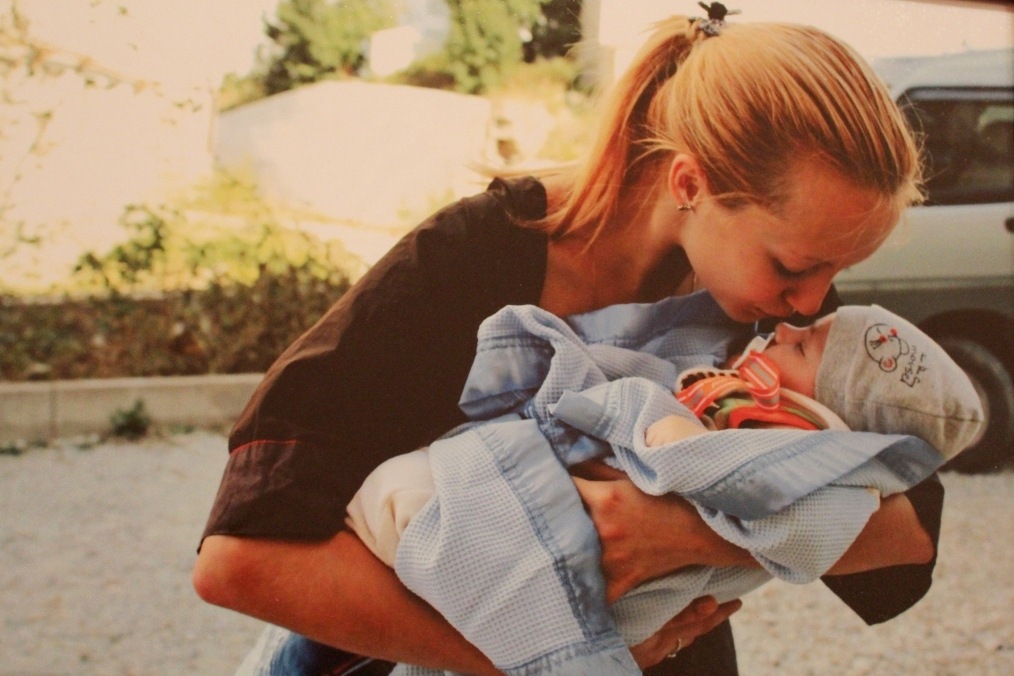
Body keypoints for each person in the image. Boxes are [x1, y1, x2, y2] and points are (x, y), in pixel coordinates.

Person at [193, 9, 939, 676]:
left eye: (835, 273)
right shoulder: (467, 260)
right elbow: (242, 560)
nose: (811, 304)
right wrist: (549, 658)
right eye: (794, 267)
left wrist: (685, 534)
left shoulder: (774, 315)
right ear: (690, 184)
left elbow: (908, 533)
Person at [338, 301, 981, 674]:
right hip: (481, 520)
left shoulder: (802, 459)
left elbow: (714, 472)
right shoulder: (743, 377)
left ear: (827, 414)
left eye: (804, 348)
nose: (787, 323)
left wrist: (659, 441)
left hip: (542, 553)